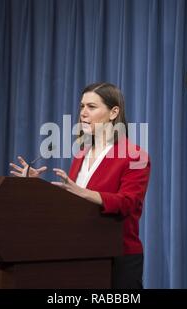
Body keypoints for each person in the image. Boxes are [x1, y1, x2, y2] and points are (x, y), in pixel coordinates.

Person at [9, 82, 151, 289]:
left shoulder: (135, 155)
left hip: (119, 255)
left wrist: (83, 192)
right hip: (81, 252)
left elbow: (128, 203)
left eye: (92, 107)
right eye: (82, 106)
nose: (83, 113)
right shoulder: (81, 153)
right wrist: (36, 186)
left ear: (113, 112)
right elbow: (72, 201)